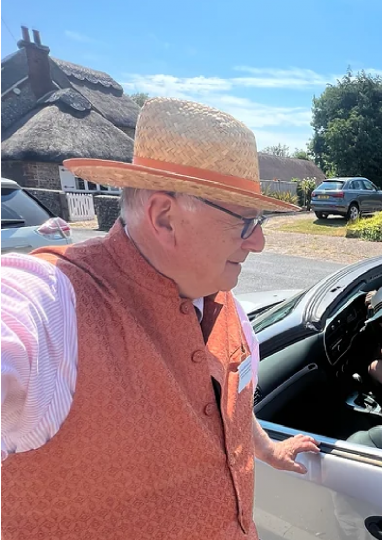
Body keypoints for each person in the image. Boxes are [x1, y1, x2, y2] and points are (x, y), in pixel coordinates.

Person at [0, 98, 319, 540]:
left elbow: (231, 404)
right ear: (164, 218)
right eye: (246, 222)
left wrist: (265, 449)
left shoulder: (226, 305)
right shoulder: (50, 304)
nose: (259, 243)